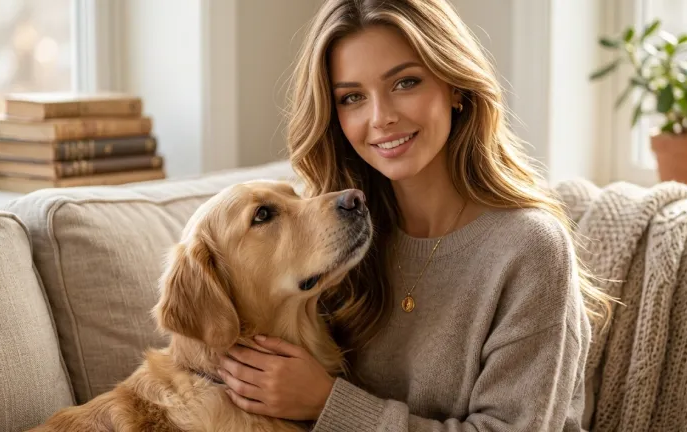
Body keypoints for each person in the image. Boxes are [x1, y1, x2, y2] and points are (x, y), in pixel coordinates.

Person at [215, 0, 613, 430]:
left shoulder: (529, 248)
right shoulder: (336, 237)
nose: (381, 118)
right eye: (352, 98)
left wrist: (328, 404)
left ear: (455, 86)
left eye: (405, 83)